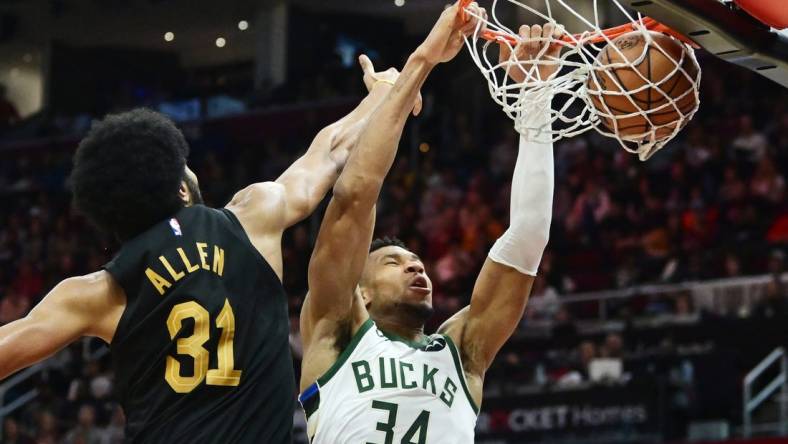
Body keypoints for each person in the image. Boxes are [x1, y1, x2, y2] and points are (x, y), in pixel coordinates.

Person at [0, 58, 419, 441]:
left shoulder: (98, 291)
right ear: (181, 189)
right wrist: (385, 93)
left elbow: (11, 344)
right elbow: (331, 152)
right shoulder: (251, 218)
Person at [297, 4, 561, 441]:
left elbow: (529, 235)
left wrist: (536, 98)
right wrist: (422, 62)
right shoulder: (335, 331)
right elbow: (355, 195)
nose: (416, 267)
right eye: (393, 263)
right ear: (359, 291)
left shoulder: (463, 351)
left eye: (415, 260)